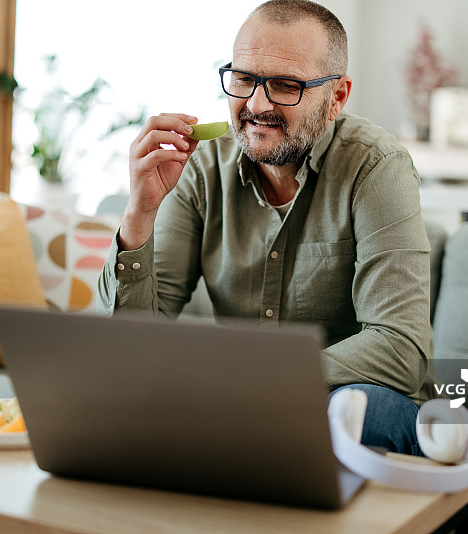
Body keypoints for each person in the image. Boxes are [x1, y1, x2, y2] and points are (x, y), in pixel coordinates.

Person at [98, 0, 433, 456]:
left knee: (360, 412)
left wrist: (256, 379)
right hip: (237, 404)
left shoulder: (377, 168)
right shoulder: (202, 169)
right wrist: (140, 212)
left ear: (336, 97)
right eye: (243, 79)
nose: (256, 105)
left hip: (346, 400)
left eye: (285, 85)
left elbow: (401, 349)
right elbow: (130, 346)